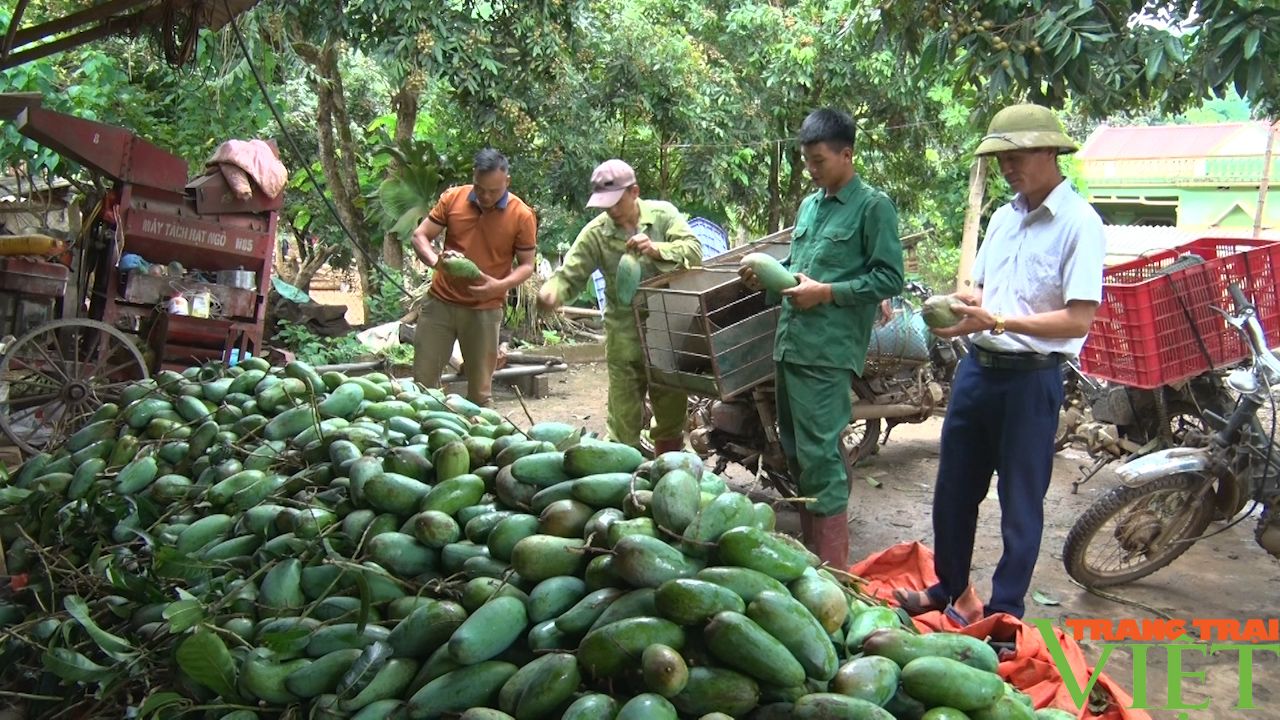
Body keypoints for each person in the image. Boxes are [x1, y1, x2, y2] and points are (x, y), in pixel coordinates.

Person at [893, 104, 1105, 622]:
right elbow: (982, 291)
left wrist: (1000, 322)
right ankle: (949, 588)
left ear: (1051, 151)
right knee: (954, 490)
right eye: (1001, 157)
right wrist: (966, 312)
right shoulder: (1003, 219)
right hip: (978, 371)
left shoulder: (1081, 224)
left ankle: (1005, 611)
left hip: (1032, 383)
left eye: (1018, 154)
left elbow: (1077, 320)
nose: (1008, 166)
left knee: (1020, 504)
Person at [739, 108, 905, 568]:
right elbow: (796, 273)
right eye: (806, 161)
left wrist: (828, 292)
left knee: (821, 458)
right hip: (790, 346)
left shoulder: (873, 207)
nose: (811, 170)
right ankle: (813, 564)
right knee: (797, 456)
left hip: (828, 353)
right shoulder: (810, 207)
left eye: (819, 161)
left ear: (846, 154)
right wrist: (768, 282)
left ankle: (833, 573)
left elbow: (889, 277)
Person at [537, 159, 702, 453]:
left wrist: (656, 249)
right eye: (604, 204)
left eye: (615, 202)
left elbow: (694, 250)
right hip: (624, 339)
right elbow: (569, 276)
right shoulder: (596, 234)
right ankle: (623, 481)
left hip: (667, 336)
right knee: (623, 423)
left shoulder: (664, 217)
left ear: (634, 191)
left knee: (671, 420)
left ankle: (666, 476)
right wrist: (551, 293)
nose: (610, 209)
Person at [410, 148, 537, 407]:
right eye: (480, 189)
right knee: (423, 386)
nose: (486, 196)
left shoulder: (522, 215)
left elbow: (526, 266)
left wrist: (499, 286)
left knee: (480, 394)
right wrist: (437, 262)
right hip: (440, 304)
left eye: (494, 190)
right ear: (473, 177)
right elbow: (419, 236)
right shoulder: (452, 199)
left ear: (507, 182)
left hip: (484, 311)